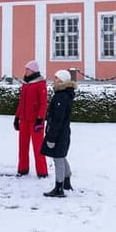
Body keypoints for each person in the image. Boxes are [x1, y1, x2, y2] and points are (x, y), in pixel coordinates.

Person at [40, 69, 76, 198]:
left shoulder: (61, 96)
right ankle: (66, 181)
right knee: (61, 156)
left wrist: (51, 138)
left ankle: (59, 187)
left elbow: (57, 119)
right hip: (63, 131)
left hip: (59, 133)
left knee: (58, 158)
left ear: (62, 80)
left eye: (56, 78)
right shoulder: (64, 94)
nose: (54, 80)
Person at [14, 60, 48, 178]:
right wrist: (17, 117)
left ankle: (42, 171)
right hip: (24, 119)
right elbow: (21, 102)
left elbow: (43, 103)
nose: (26, 71)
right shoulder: (25, 83)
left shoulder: (40, 83)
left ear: (33, 70)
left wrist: (40, 119)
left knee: (38, 147)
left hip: (35, 120)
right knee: (22, 146)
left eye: (28, 69)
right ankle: (22, 168)